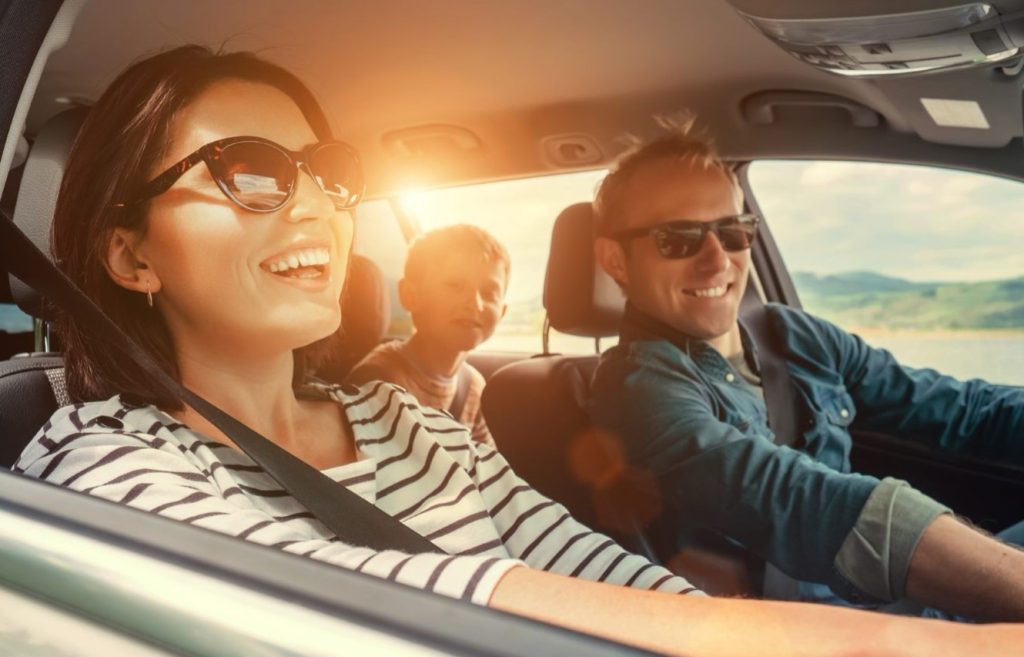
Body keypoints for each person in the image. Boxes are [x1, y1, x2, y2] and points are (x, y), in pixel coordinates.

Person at [12, 46, 1021, 657]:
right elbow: (371, 602)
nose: (317, 204)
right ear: (131, 253)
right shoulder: (98, 462)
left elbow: (598, 572)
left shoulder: (403, 421)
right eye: (251, 170)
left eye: (326, 172)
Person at [587, 114, 1024, 621]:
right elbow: (798, 502)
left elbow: (960, 409)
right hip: (815, 631)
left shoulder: (793, 336)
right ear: (615, 261)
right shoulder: (636, 388)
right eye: (678, 238)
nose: (717, 260)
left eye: (733, 232)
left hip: (887, 600)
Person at [346, 224, 508, 446]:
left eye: (489, 293)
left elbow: (484, 460)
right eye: (455, 286)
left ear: (502, 312)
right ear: (410, 295)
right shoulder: (378, 380)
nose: (475, 304)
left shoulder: (473, 385)